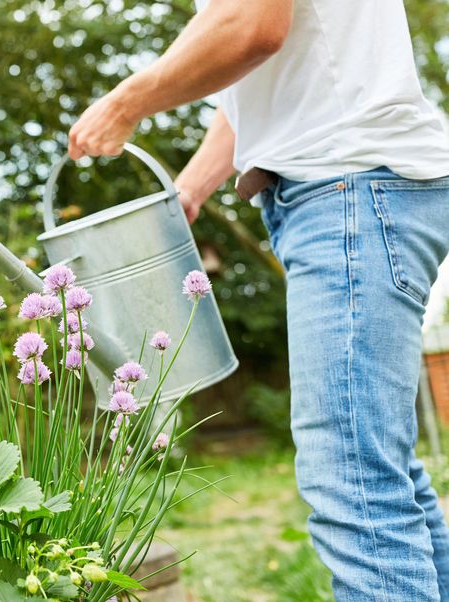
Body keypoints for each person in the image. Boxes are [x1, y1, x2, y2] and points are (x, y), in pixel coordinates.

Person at [67, 0, 449, 599]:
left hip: (349, 188)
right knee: (377, 466)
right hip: (357, 188)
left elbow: (251, 28)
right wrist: (189, 190)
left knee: (353, 478)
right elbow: (256, 83)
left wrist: (126, 102)